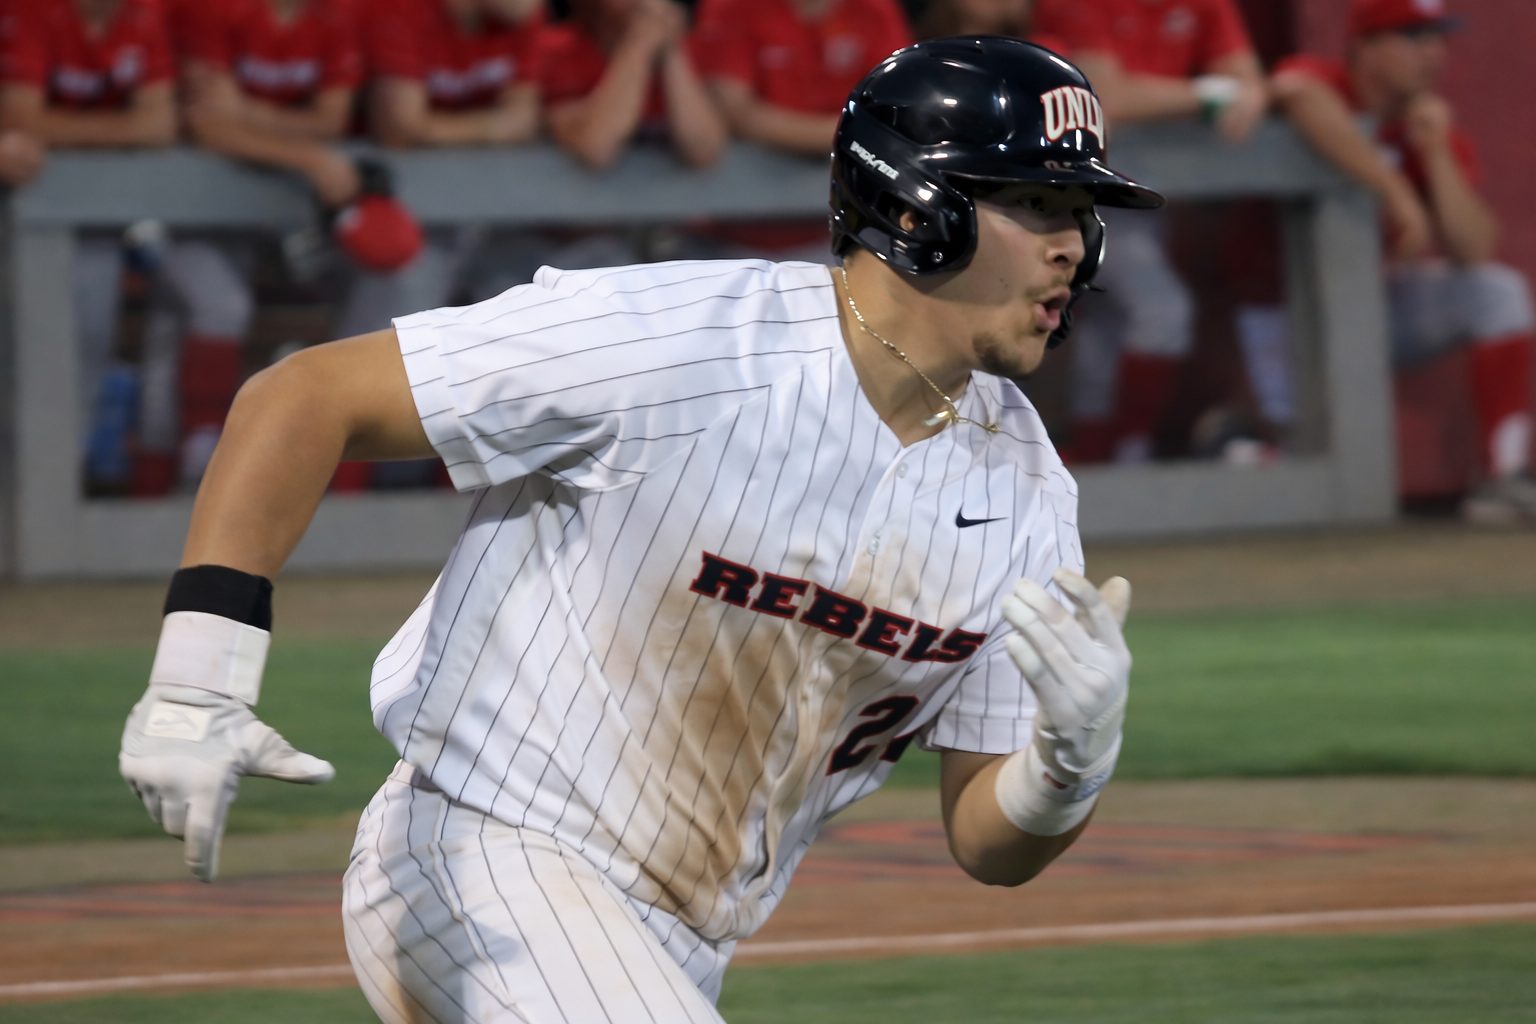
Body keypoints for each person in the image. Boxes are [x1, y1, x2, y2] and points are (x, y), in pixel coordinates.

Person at [119, 37, 1159, 1021]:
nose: (1077, 244)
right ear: (916, 203)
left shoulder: (1025, 488)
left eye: (1083, 212)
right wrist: (198, 674)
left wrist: (1067, 762)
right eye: (1038, 203)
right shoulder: (679, 340)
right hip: (481, 853)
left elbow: (987, 838)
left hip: (678, 937)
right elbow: (302, 396)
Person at [1270, 0, 1535, 522]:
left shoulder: (1422, 126)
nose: (1433, 54)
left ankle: (1503, 477)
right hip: (1279, 315)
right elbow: (1292, 91)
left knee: (1496, 291)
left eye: (1437, 38)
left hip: (1373, 307)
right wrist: (1396, 192)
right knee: (1277, 453)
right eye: (1413, 37)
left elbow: (1474, 248)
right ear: (1366, 48)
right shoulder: (1327, 84)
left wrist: (1435, 153)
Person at [1047, 0, 1267, 464]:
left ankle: (1098, 456)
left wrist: (1239, 91)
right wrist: (1206, 96)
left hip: (1143, 198)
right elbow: (1104, 99)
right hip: (1067, 198)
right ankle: (1128, 450)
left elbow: (1248, 84)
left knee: (1109, 327)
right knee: (1161, 311)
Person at [0, 0, 179, 494]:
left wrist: (52, 132)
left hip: (85, 215)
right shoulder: (33, 12)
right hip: (19, 210)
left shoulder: (143, 15)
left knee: (90, 344)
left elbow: (159, 125)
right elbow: (19, 119)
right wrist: (123, 133)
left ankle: (51, 490)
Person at [687, 0, 912, 264]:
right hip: (729, 234)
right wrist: (850, 133)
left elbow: (898, 106)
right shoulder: (730, 7)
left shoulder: (875, 9)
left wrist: (844, 133)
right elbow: (735, 112)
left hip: (841, 233)